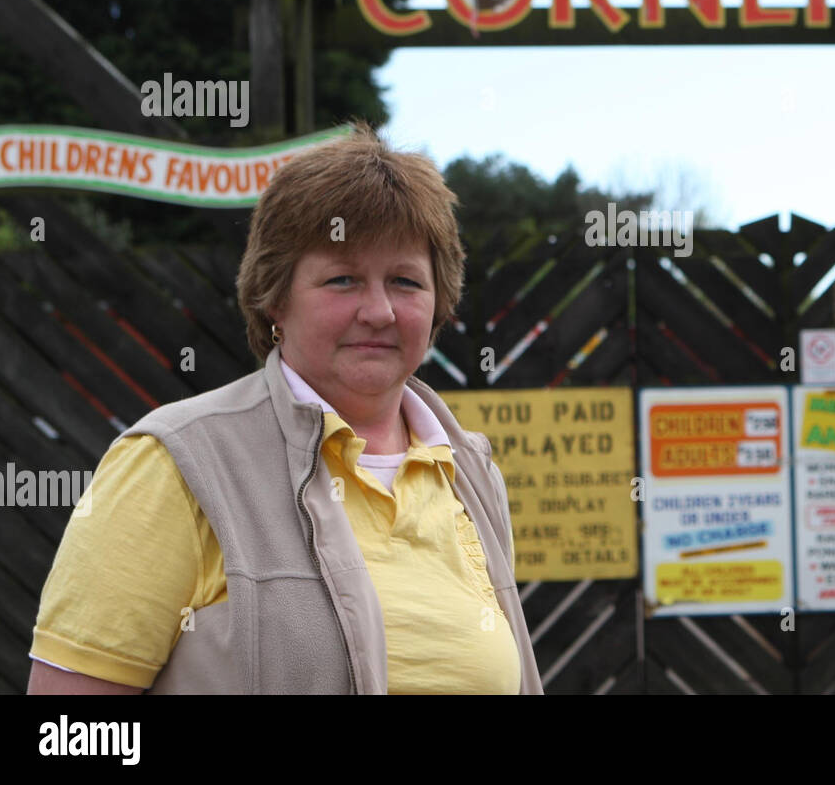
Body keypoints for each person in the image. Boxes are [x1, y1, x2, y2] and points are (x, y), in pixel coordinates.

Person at [27, 122, 543, 694]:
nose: (379, 311)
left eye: (405, 281)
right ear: (274, 297)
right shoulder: (177, 462)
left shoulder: (470, 474)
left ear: (441, 303)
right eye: (342, 280)